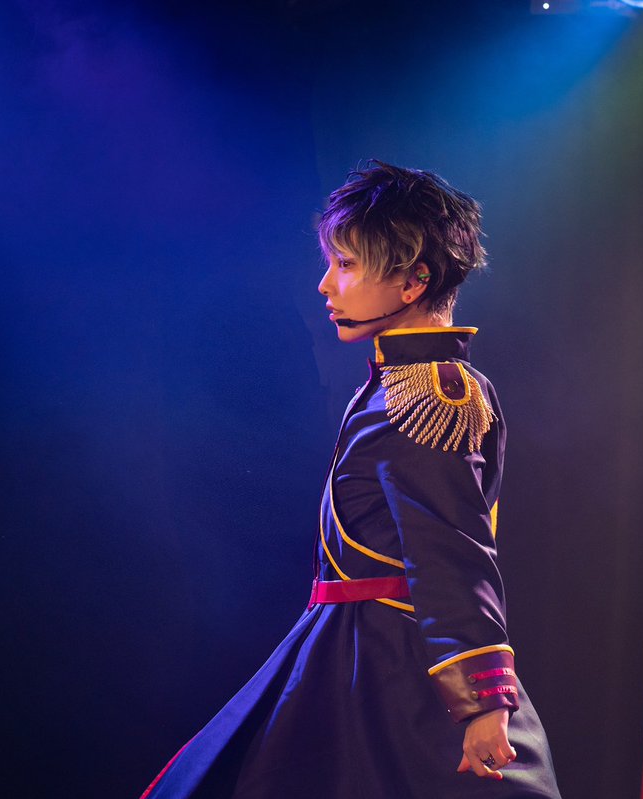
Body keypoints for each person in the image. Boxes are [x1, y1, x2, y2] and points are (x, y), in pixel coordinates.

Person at [141, 162, 561, 798]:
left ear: (413, 280)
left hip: (394, 664)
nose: (325, 284)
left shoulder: (425, 396)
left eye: (346, 265)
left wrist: (483, 700)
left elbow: (452, 551)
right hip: (352, 647)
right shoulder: (403, 387)